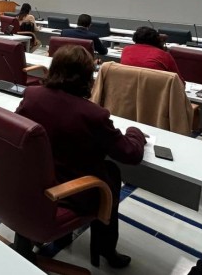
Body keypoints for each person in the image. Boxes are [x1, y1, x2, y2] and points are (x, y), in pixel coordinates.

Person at [15, 45, 145, 269]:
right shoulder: (93, 114)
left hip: (30, 183)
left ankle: (28, 238)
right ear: (87, 77)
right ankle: (106, 250)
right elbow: (130, 153)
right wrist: (136, 132)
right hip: (70, 192)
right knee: (111, 173)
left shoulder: (32, 95)